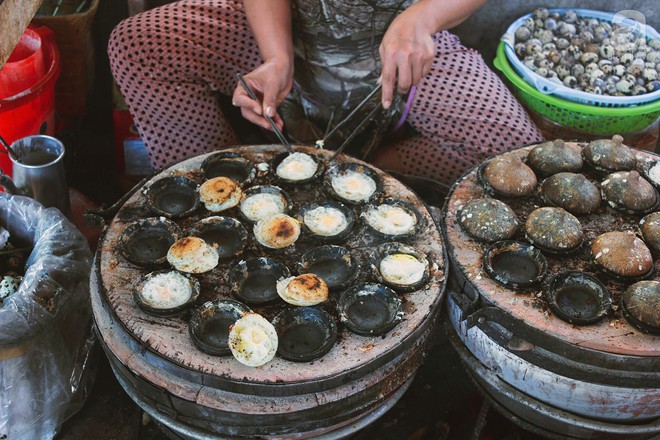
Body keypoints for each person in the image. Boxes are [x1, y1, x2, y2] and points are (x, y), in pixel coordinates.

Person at [109, 0, 542, 186]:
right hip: (288, 34)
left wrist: (423, 17)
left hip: (405, 50)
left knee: (513, 158)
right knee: (140, 46)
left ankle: (352, 176)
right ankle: (222, 187)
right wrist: (275, 58)